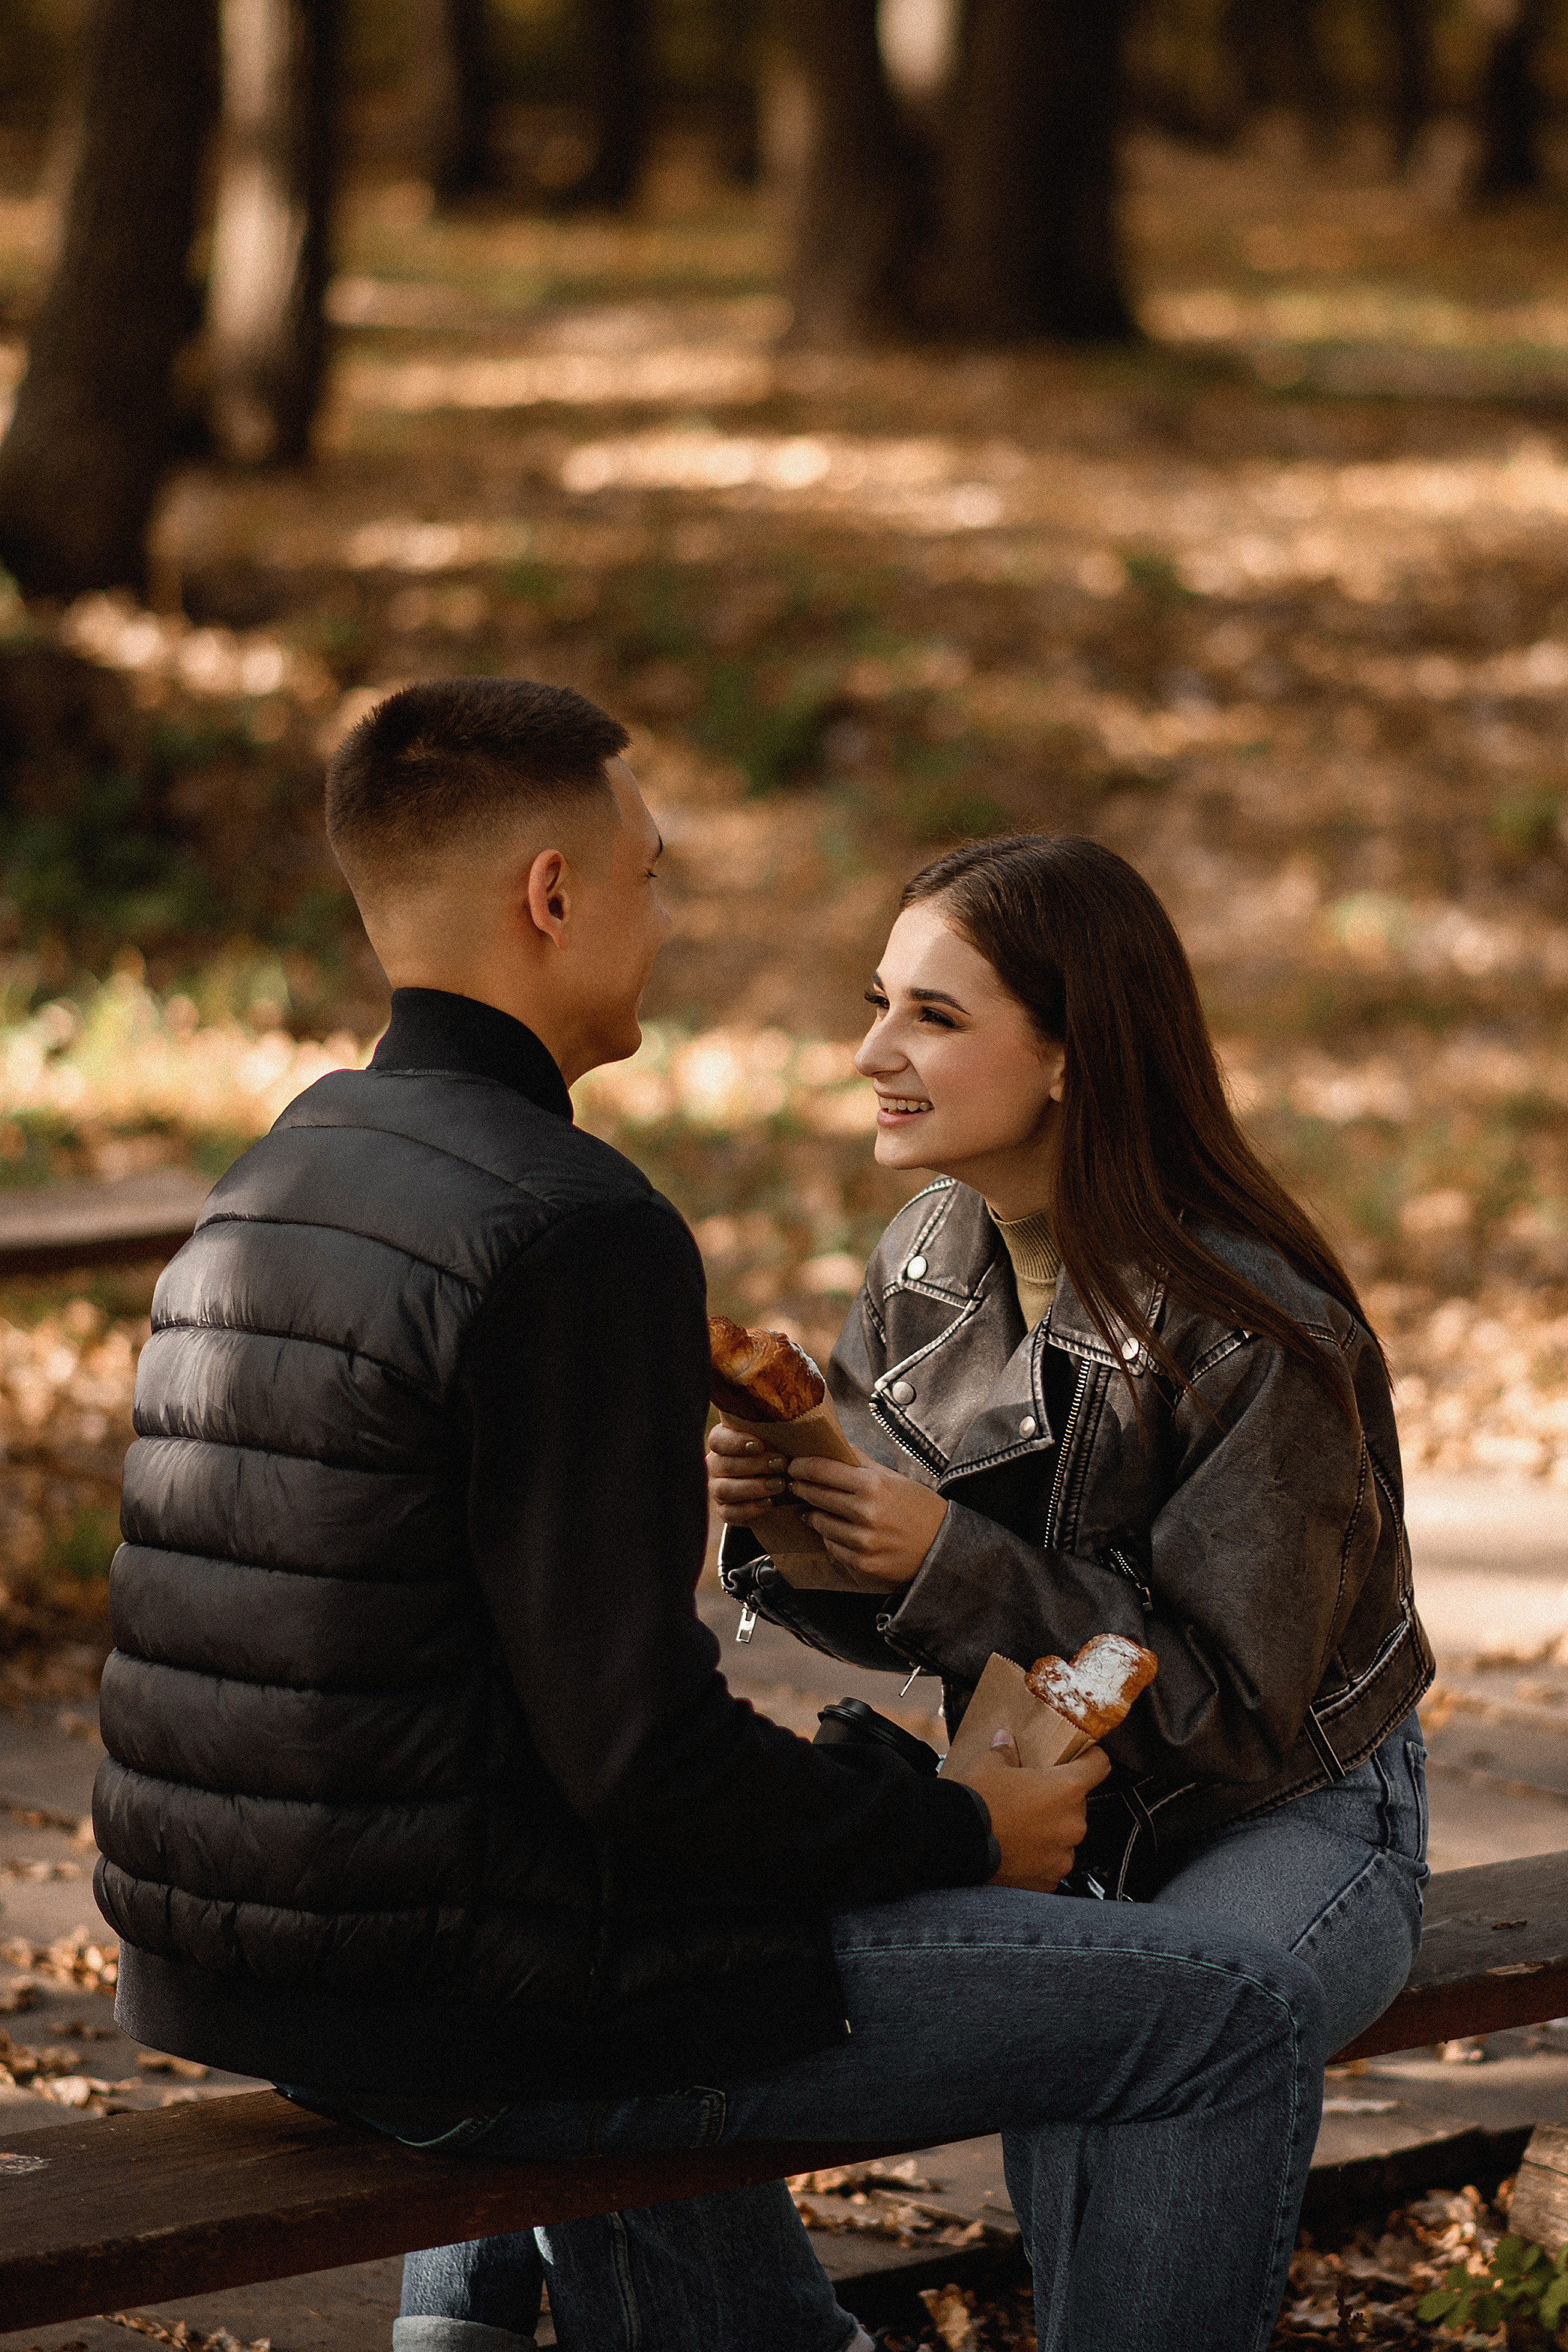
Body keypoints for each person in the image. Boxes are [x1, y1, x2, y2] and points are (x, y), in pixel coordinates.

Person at [94, 696, 1327, 2352]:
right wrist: (955, 1829)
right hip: (473, 2005)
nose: (665, 921)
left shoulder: (285, 1167)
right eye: (652, 877)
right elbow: (641, 1761)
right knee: (1235, 2017)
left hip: (233, 1976)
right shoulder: (571, 1228)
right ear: (552, 895)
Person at [711, 832, 1434, 2060]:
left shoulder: (1249, 1332)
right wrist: (793, 1517)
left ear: (1069, 1056)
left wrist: (942, 1558)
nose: (871, 1052)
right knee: (745, 1989)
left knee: (1163, 2028)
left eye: (933, 1016)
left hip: (1282, 1813)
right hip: (1043, 1799)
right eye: (879, 1004)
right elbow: (901, 1621)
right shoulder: (923, 1257)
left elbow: (1231, 1711)